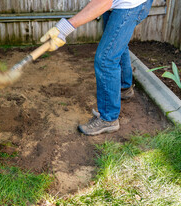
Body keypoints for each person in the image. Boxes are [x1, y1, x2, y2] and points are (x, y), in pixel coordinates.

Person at [40, 0, 154, 135]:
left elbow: (103, 2)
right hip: (118, 4)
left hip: (130, 5)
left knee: (105, 59)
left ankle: (108, 118)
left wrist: (64, 28)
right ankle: (124, 88)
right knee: (117, 46)